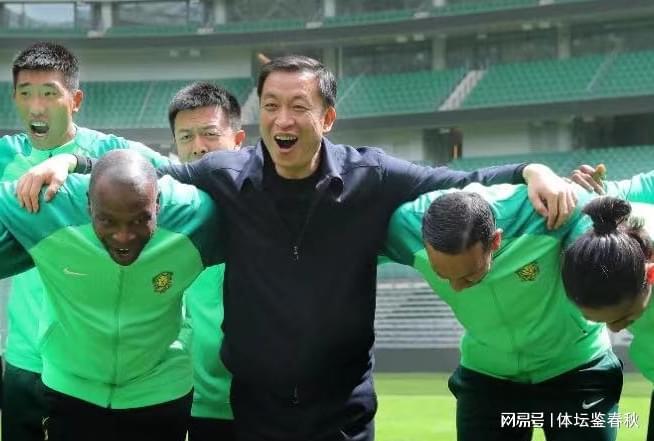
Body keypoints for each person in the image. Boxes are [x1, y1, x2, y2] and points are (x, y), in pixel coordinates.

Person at [16, 55, 576, 441]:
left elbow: (458, 180)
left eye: (299, 106)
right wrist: (72, 159)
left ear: (327, 117)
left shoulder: (373, 177)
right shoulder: (224, 175)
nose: (282, 119)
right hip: (254, 412)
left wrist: (533, 169)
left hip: (342, 413)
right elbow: (149, 170)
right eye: (271, 105)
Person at [0, 41, 169, 441]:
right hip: (24, 358)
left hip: (86, 367)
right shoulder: (6, 156)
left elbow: (174, 174)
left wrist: (78, 164)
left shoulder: (111, 152)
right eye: (26, 94)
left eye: (49, 94)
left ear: (75, 100)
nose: (36, 107)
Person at [0, 149, 222, 441]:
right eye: (107, 221)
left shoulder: (195, 216)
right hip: (71, 390)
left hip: (160, 391)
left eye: (140, 220)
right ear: (88, 204)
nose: (123, 236)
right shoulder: (51, 207)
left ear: (157, 203)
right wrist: (72, 161)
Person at [383, 183, 622, 441]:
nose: (457, 287)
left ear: (495, 240)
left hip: (576, 366)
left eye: (469, 274)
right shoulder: (406, 228)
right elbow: (354, 240)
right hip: (487, 375)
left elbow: (599, 210)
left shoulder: (543, 211)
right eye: (443, 275)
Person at [168, 81, 244, 441]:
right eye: (186, 137)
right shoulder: (161, 217)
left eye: (210, 134)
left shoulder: (271, 209)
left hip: (266, 406)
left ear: (238, 140)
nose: (198, 147)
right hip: (193, 405)